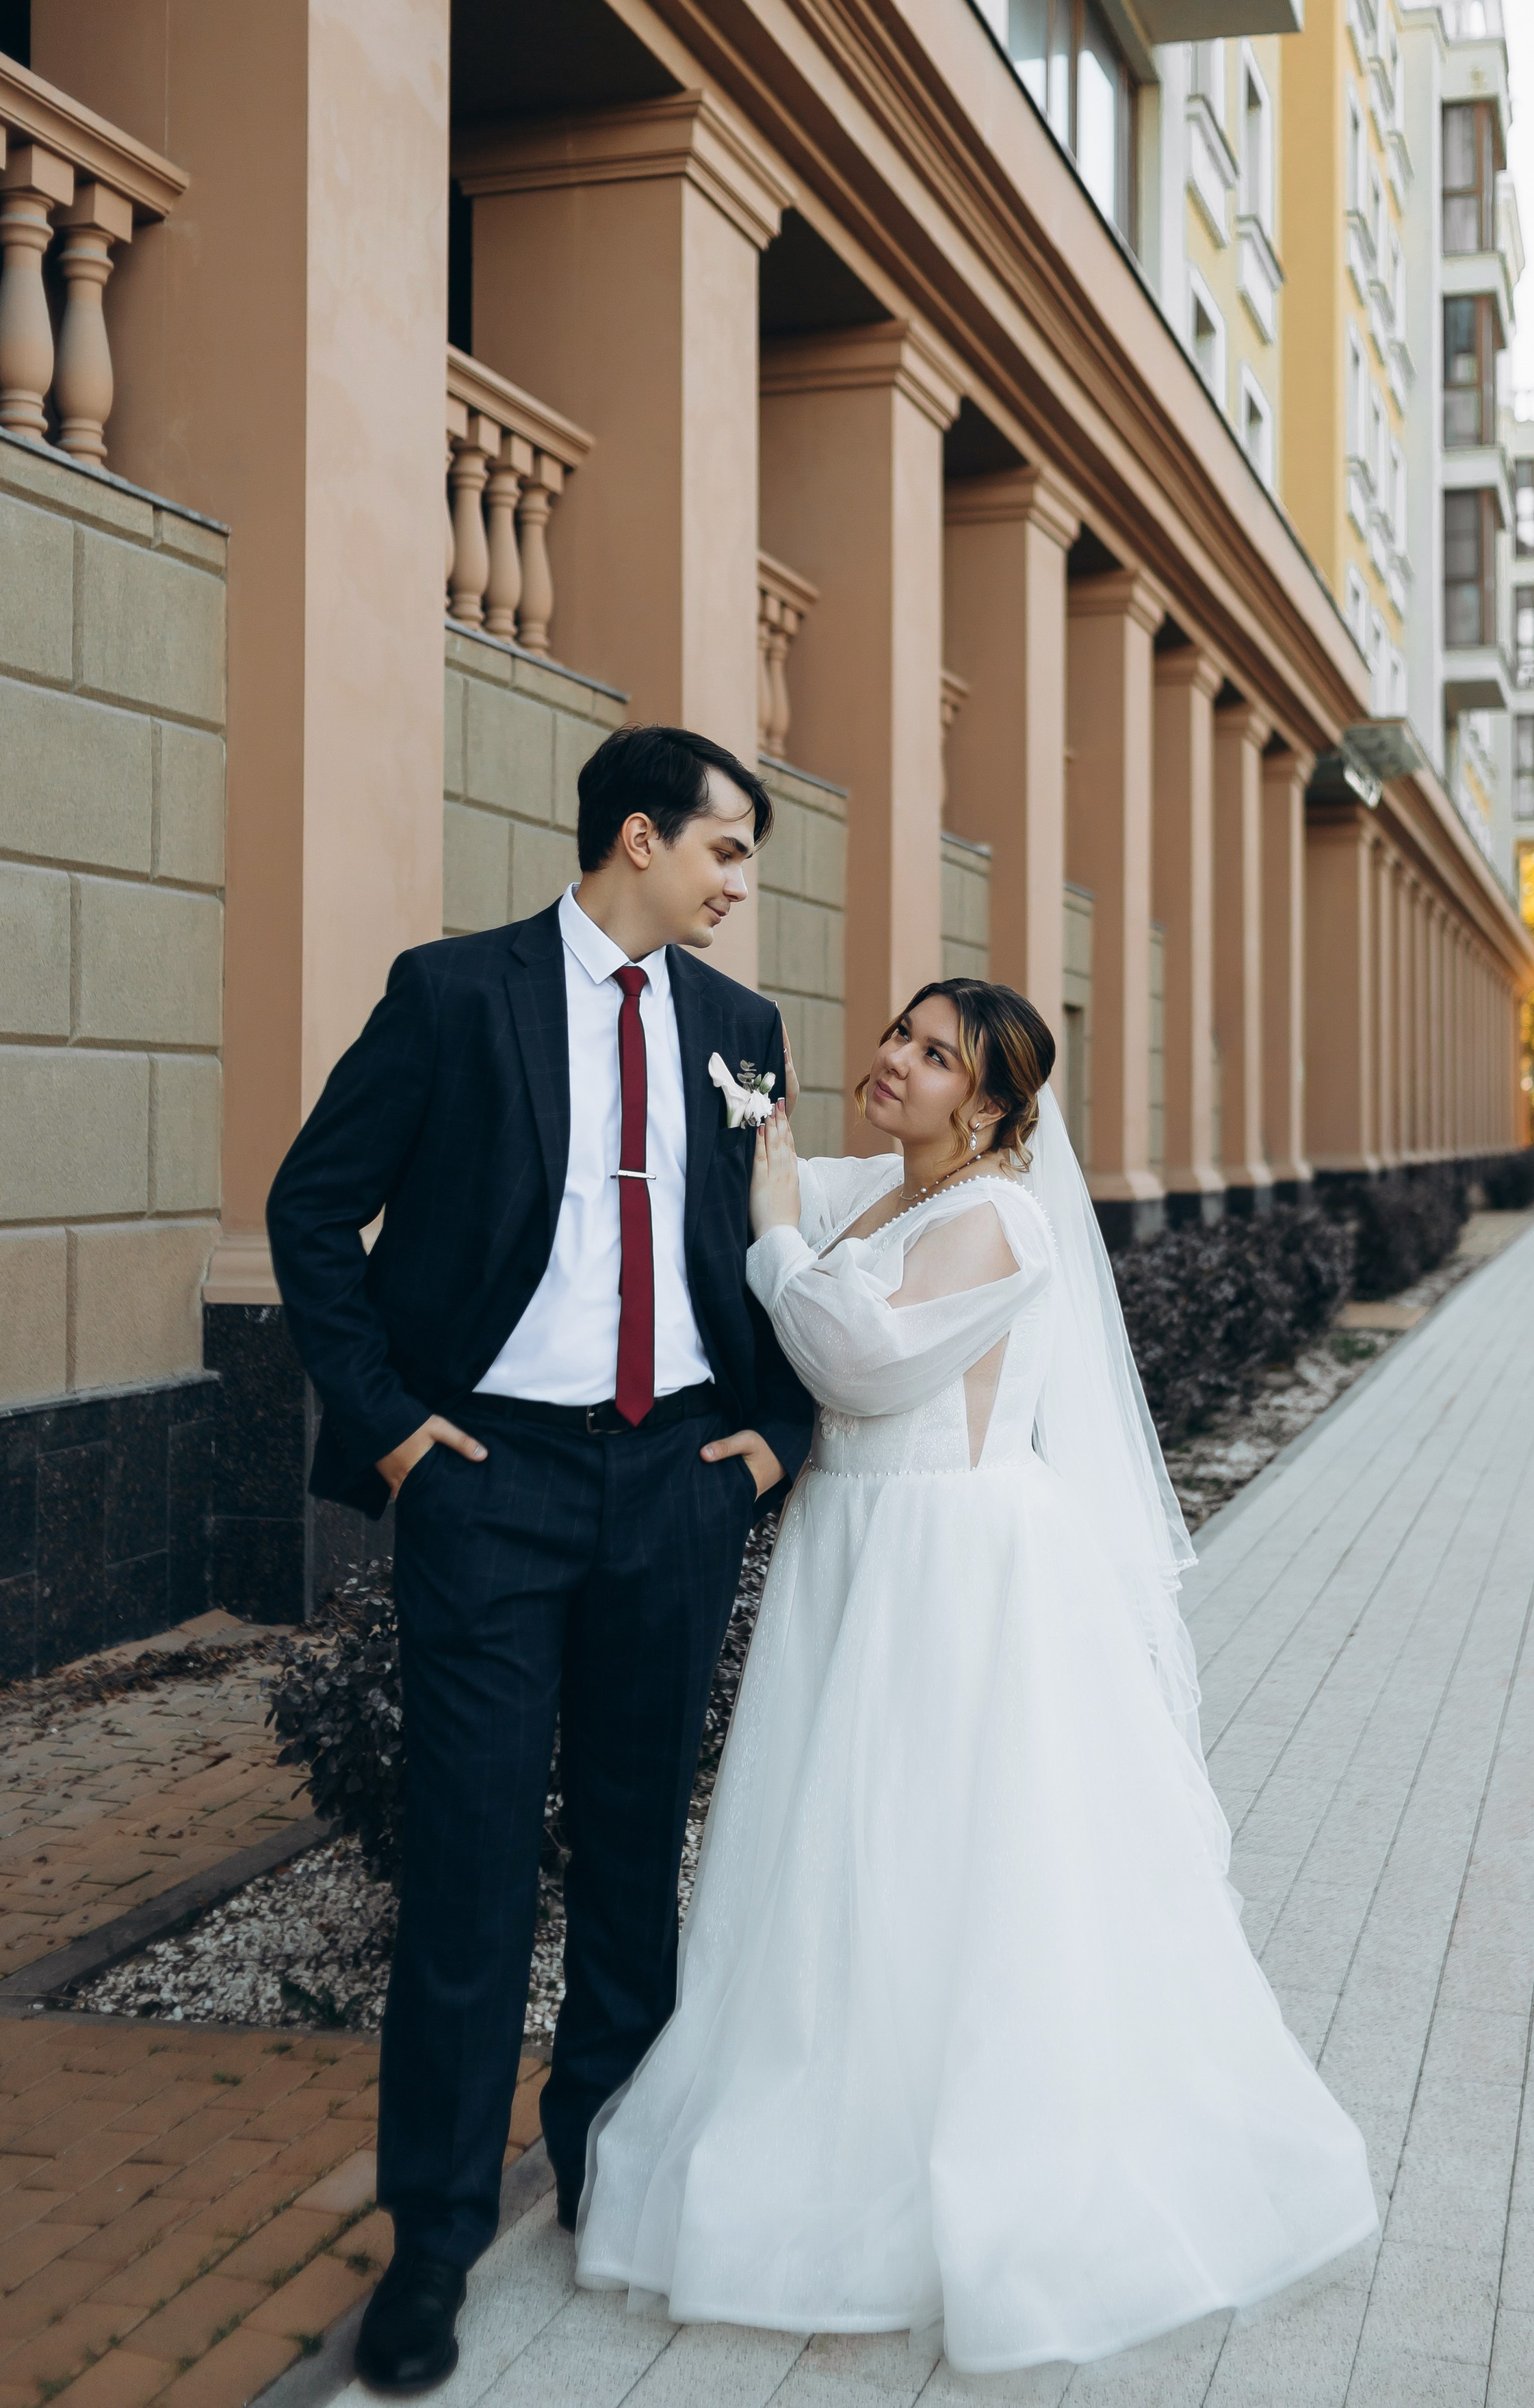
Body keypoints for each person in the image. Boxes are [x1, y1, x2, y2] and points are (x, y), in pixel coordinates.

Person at [576, 979, 1379, 2372]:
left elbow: (852, 1355)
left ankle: (966, 2158)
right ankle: (821, 2109)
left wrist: (773, 1240)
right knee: (833, 1852)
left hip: (948, 1570)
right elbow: (769, 1162)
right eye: (898, 1033)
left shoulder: (998, 1219)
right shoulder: (888, 1193)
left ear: (994, 1108)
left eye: (933, 1056)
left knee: (943, 1858)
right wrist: (738, 1118)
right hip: (860, 1553)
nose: (894, 1060)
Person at [265, 725, 814, 2393]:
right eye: (724, 852)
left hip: (673, 1483)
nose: (738, 887)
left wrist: (771, 1430)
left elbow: (775, 1238)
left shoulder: (741, 1030)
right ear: (637, 838)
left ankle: (608, 2179)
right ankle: (432, 2245)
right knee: (474, 1868)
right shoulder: (451, 995)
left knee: (637, 1856)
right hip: (488, 1483)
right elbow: (310, 1209)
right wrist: (393, 1429)